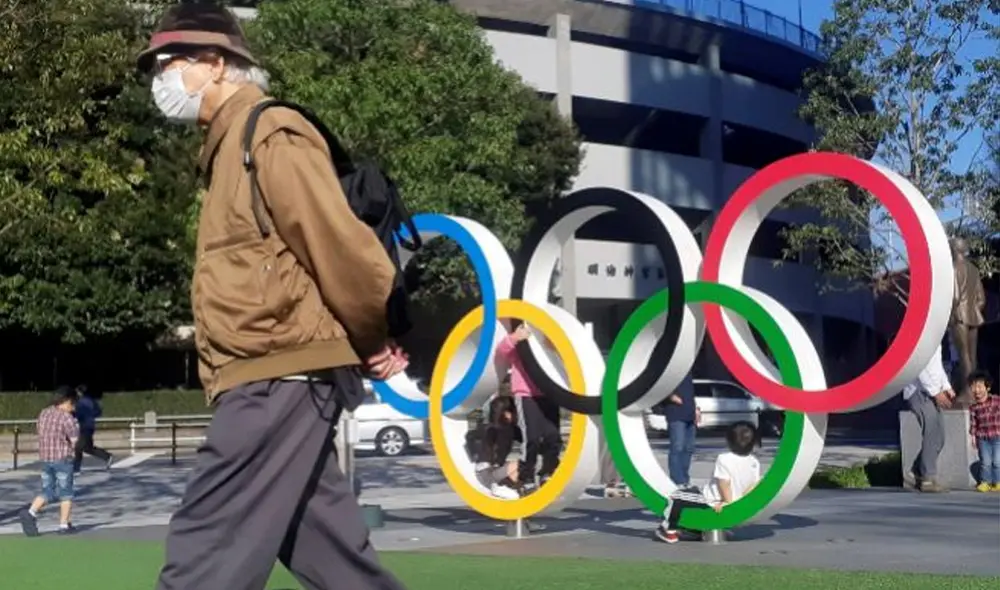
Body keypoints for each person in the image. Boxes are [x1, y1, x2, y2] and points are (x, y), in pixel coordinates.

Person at [137, 4, 409, 589]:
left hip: (276, 376)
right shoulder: (225, 149)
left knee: (207, 545)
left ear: (214, 63)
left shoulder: (270, 133)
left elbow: (340, 247)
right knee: (335, 559)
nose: (158, 79)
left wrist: (371, 338)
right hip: (274, 377)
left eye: (167, 63)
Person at [655, 421, 760, 544]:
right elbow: (753, 484)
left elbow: (724, 482)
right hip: (736, 500)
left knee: (676, 496)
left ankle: (669, 531)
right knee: (691, 493)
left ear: (729, 441)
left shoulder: (725, 458)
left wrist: (727, 502)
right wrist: (739, 500)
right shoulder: (754, 462)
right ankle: (695, 528)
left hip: (711, 499)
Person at [496, 323, 562, 492]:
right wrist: (515, 337)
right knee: (531, 437)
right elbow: (502, 351)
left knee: (553, 436)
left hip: (548, 393)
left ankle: (548, 471)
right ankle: (526, 476)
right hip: (526, 394)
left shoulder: (547, 340)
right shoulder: (522, 342)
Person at [19, 386, 80, 537]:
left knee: (48, 491)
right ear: (66, 402)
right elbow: (75, 440)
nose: (73, 408)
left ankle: (31, 512)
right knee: (66, 492)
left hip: (46, 458)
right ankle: (64, 525)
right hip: (63, 458)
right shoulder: (67, 418)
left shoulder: (44, 413)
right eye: (72, 404)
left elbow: (39, 431)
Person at [902, 343, 955, 493]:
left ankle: (916, 471)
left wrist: (946, 387)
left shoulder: (936, 338)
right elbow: (921, 366)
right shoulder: (924, 338)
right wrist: (935, 392)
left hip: (931, 392)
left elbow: (936, 366)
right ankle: (927, 479)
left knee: (940, 436)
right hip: (918, 392)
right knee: (932, 433)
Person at [467, 396, 520, 499]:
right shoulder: (504, 430)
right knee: (524, 463)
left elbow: (470, 437)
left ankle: (507, 487)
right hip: (489, 474)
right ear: (506, 414)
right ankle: (501, 486)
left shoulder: (487, 428)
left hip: (483, 472)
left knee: (521, 465)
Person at [664, 372, 700, 487]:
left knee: (689, 448)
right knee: (677, 447)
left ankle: (685, 478)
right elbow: (660, 388)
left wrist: (696, 409)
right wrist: (671, 396)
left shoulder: (688, 373)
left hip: (690, 414)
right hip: (676, 414)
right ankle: (677, 480)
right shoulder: (671, 371)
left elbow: (691, 394)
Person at [967, 370, 1000, 492]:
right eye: (973, 387)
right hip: (983, 438)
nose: (976, 390)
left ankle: (997, 482)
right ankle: (985, 482)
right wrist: (974, 438)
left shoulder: (997, 401)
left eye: (979, 386)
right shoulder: (974, 407)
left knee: (997, 461)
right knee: (985, 461)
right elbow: (974, 424)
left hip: (997, 436)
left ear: (988, 388)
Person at [72, 385, 113, 473]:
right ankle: (107, 456)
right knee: (87, 448)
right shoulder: (91, 401)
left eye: (77, 392)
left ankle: (76, 467)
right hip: (90, 425)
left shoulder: (80, 402)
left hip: (85, 426)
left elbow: (78, 413)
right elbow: (98, 412)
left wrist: (73, 415)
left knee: (78, 447)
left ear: (80, 392)